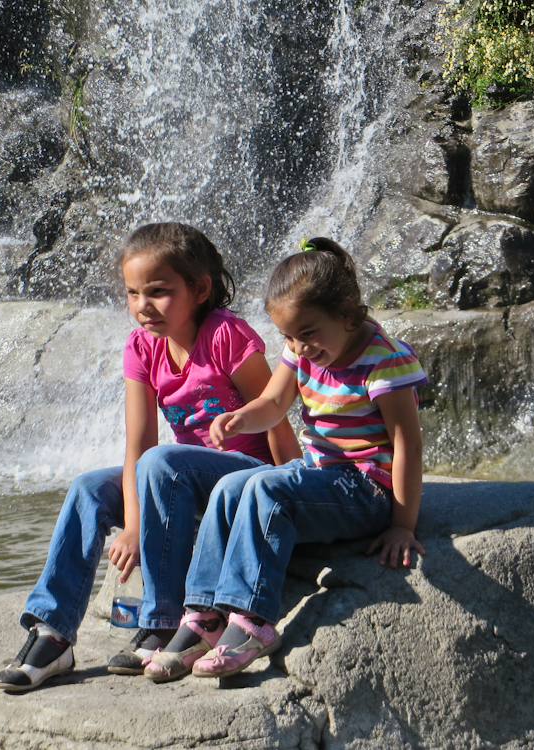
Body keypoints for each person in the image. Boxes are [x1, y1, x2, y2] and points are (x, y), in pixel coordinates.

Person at [0, 222, 299, 692]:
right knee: (90, 488)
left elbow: (276, 418)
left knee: (163, 465)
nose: (142, 306)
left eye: (158, 291)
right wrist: (133, 525)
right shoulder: (141, 347)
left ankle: (160, 621)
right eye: (133, 293)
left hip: (243, 480)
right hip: (174, 482)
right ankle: (53, 634)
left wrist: (288, 491)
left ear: (199, 289)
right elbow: (139, 442)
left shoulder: (226, 336)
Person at [143, 237, 428, 683]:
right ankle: (204, 615)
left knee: (265, 487)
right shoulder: (301, 350)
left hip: (367, 489)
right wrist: (240, 417)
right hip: (320, 474)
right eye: (289, 337)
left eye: (308, 333)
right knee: (231, 486)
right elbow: (274, 403)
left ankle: (253, 619)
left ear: (348, 313)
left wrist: (403, 525)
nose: (300, 346)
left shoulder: (384, 361)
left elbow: (407, 444)